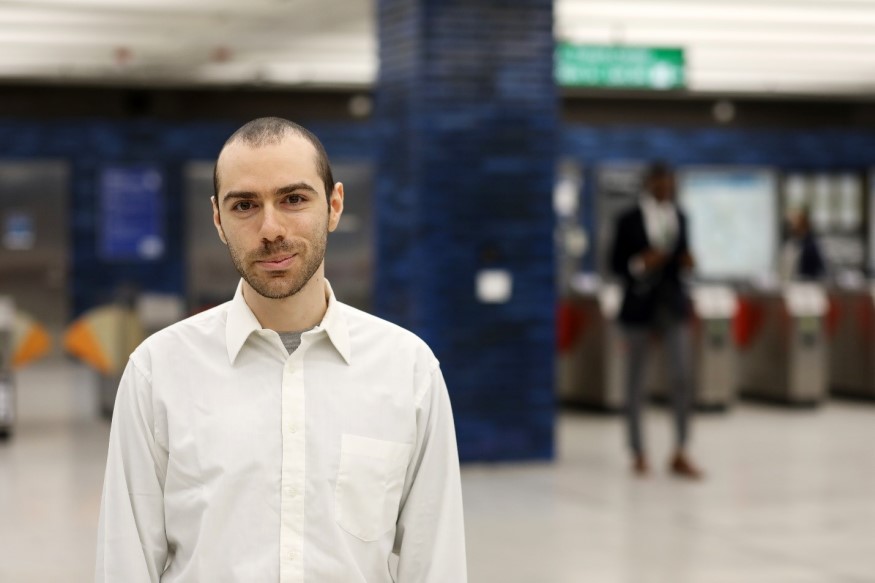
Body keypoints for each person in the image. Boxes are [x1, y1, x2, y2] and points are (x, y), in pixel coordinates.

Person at [95, 117, 468, 582]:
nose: (271, 228)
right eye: (245, 205)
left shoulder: (407, 369)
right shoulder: (159, 371)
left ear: (334, 206)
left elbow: (434, 561)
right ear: (218, 219)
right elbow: (126, 560)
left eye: (293, 199)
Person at [609, 162, 702, 480]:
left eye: (671, 183)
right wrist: (640, 263)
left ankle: (681, 449)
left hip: (673, 308)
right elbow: (615, 263)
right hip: (638, 308)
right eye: (661, 182)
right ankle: (638, 451)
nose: (666, 188)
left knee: (681, 379)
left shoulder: (681, 217)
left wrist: (688, 262)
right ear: (650, 183)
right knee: (635, 382)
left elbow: (683, 258)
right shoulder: (628, 220)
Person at [780, 207, 826, 281]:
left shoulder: (811, 245)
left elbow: (819, 269)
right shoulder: (792, 242)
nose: (792, 226)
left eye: (795, 223)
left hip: (806, 284)